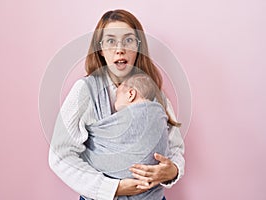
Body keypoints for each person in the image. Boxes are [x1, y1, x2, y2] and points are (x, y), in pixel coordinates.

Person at [49, 9, 185, 200]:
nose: (120, 49)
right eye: (111, 41)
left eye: (128, 40)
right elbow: (60, 155)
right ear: (101, 49)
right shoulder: (85, 91)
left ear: (138, 48)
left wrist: (172, 171)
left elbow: (175, 147)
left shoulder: (153, 93)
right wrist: (114, 188)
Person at [80, 73, 170, 200]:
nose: (115, 104)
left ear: (131, 94)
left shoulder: (137, 115)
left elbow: (105, 137)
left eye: (117, 97)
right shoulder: (160, 114)